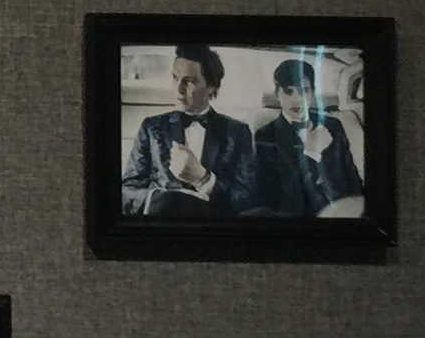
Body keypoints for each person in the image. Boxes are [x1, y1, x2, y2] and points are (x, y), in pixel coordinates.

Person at [121, 43, 259, 218]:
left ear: (211, 86)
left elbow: (246, 199)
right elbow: (128, 190)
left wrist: (203, 179)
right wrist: (158, 200)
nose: (179, 89)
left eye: (189, 81)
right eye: (175, 78)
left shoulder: (237, 132)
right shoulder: (151, 127)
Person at [252, 56, 364, 217]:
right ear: (277, 94)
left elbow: (352, 178)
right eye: (288, 92)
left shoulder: (333, 125)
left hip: (344, 212)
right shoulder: (266, 135)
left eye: (304, 91)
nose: (297, 99)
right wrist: (311, 154)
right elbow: (276, 197)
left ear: (312, 92)